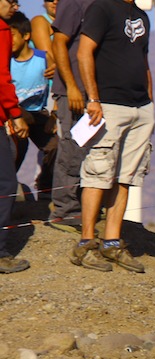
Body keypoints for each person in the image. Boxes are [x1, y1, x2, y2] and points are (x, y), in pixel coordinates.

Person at [71, 0, 154, 273]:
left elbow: (144, 63)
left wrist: (150, 104)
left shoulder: (141, 16)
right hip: (108, 104)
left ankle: (112, 242)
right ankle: (86, 243)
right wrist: (93, 98)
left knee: (125, 177)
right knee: (98, 173)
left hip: (140, 108)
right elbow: (84, 52)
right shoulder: (102, 8)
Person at [45, 0, 92, 234]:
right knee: (71, 149)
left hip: (96, 92)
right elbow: (59, 42)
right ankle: (64, 210)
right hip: (73, 91)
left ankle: (86, 206)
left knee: (91, 153)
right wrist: (72, 86)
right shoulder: (74, 3)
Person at [8, 11, 58, 201]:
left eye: (12, 35)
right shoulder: (6, 62)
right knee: (14, 151)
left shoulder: (43, 59)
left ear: (26, 35)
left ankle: (45, 188)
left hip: (38, 114)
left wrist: (54, 116)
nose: (8, 40)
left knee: (55, 147)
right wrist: (19, 114)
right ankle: (8, 189)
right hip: (14, 115)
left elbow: (59, 87)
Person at [0, 0, 30, 274]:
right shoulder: (1, 30)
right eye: (10, 1)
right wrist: (14, 113)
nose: (16, 6)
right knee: (6, 183)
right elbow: (2, 77)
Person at [30, 0, 57, 85]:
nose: (55, 2)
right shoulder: (39, 21)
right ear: (44, 3)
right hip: (50, 84)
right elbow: (50, 60)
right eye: (50, 0)